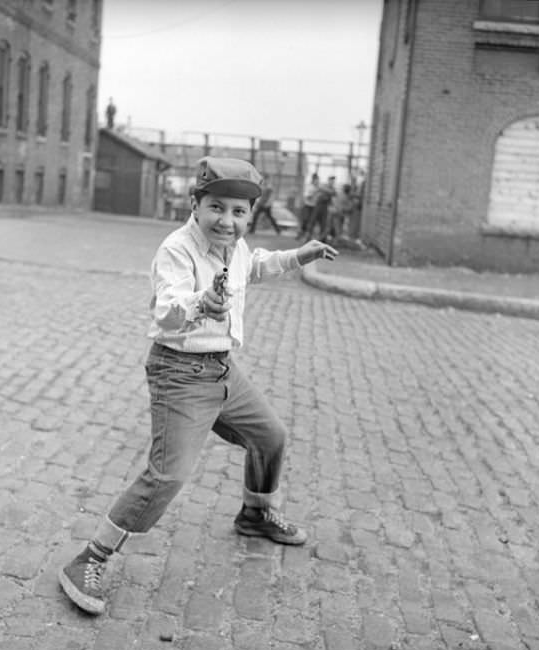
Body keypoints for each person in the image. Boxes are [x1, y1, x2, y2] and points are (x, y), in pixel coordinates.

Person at [58, 156, 338, 615]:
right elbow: (164, 309)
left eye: (239, 211)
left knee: (270, 437)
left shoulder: (236, 245)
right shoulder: (177, 249)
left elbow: (258, 267)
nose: (226, 221)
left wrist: (299, 256)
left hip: (222, 370)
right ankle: (90, 558)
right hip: (180, 374)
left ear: (250, 214)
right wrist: (199, 303)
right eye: (216, 208)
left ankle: (255, 512)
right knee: (167, 475)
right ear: (195, 203)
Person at [305, 176, 336, 243]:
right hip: (318, 205)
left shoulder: (332, 188)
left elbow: (332, 193)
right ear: (329, 180)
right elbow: (318, 192)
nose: (332, 182)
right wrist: (323, 190)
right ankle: (308, 237)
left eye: (333, 181)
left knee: (323, 224)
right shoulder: (324, 185)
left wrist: (323, 190)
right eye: (331, 181)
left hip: (325, 207)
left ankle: (322, 239)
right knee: (312, 221)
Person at [296, 173, 319, 240]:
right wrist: (313, 193)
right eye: (316, 180)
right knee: (305, 220)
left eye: (318, 180)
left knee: (311, 222)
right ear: (313, 180)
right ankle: (301, 233)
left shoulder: (317, 188)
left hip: (314, 207)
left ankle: (308, 235)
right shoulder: (310, 187)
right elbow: (307, 197)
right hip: (307, 206)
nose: (317, 181)